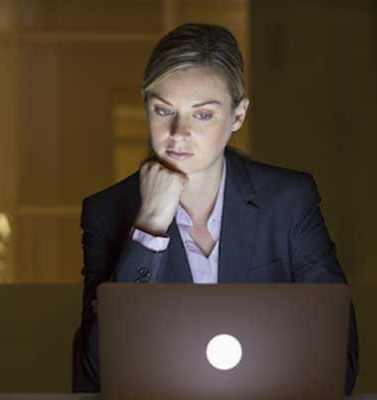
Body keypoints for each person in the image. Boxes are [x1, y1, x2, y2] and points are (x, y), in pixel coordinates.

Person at [76, 22, 359, 394]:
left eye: (203, 114)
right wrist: (149, 228)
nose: (179, 132)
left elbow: (339, 361)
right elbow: (95, 372)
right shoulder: (106, 211)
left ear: (238, 115)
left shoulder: (288, 201)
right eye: (163, 110)